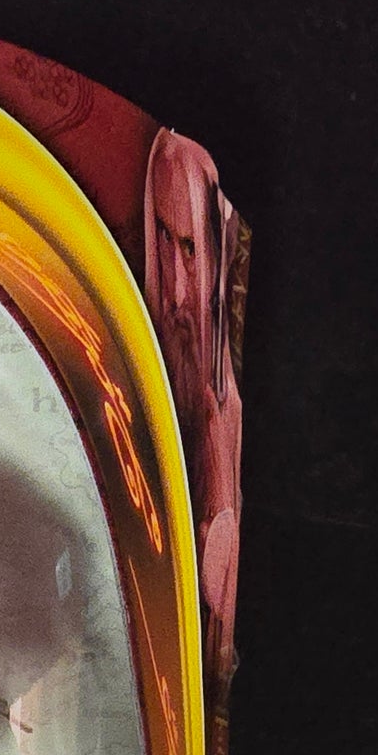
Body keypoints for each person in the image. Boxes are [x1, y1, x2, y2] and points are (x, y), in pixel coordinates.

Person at [143, 131, 244, 686]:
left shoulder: (226, 408)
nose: (178, 286)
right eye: (163, 237)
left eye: (189, 248)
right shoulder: (142, 362)